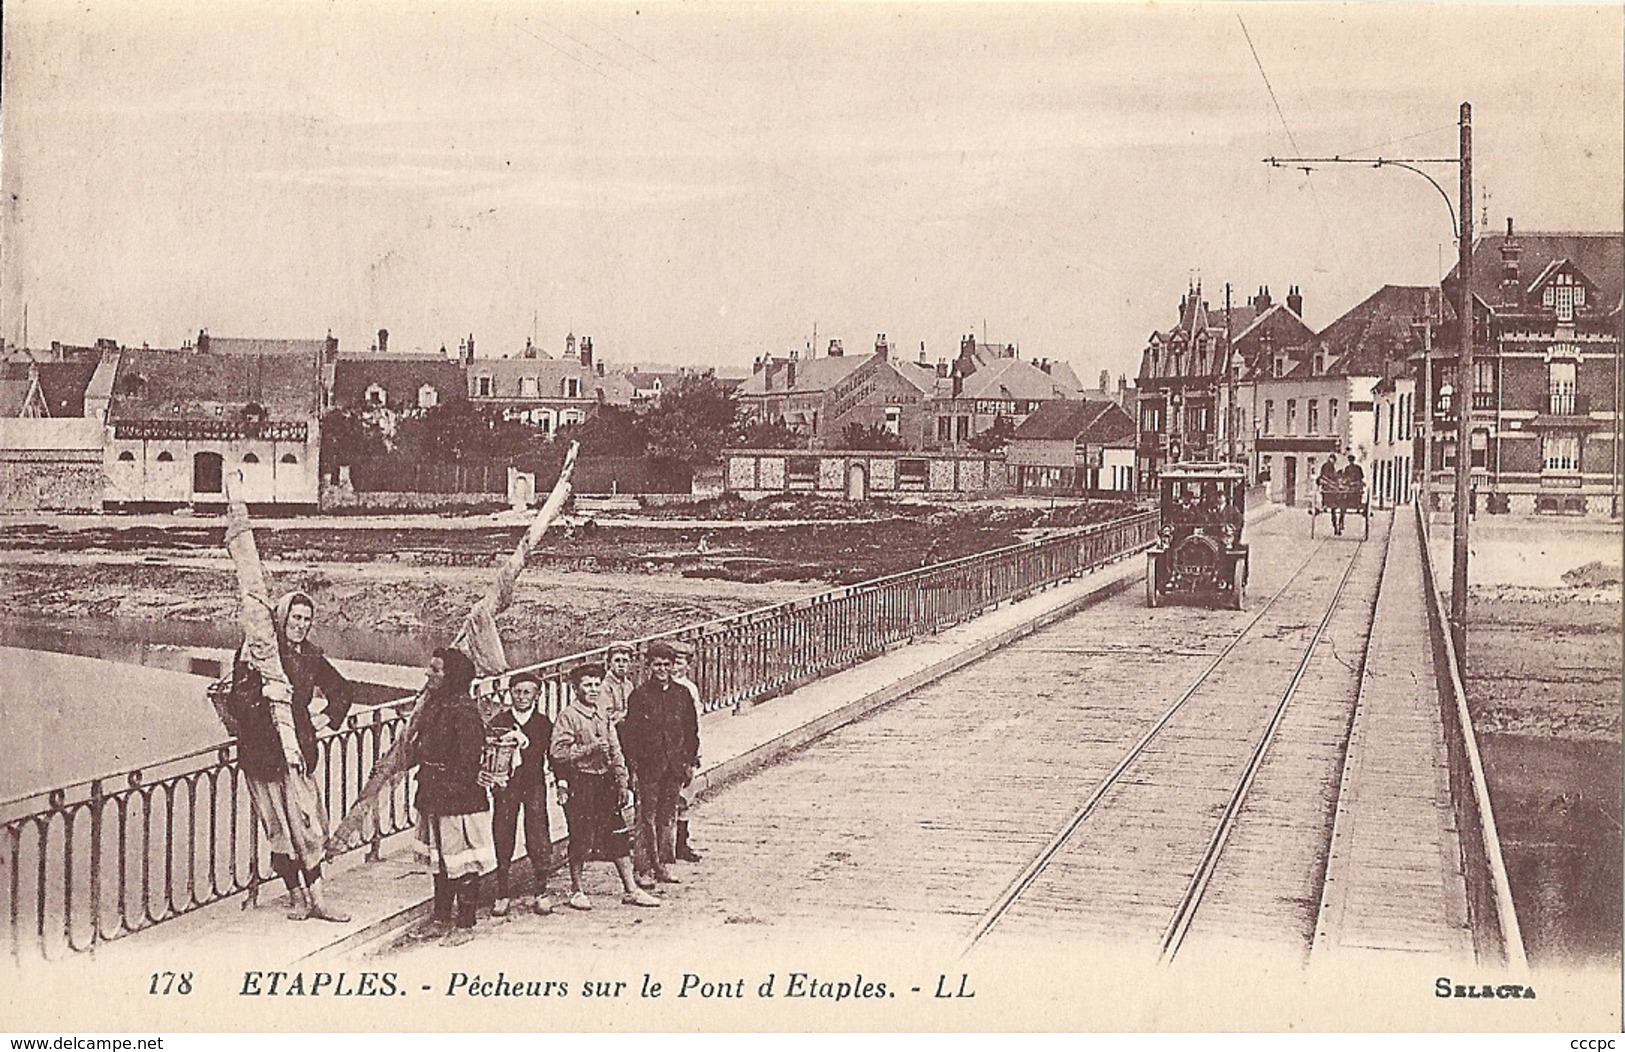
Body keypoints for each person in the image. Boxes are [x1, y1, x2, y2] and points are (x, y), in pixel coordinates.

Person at [234, 591, 354, 923]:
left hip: (296, 754)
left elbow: (342, 690)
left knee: (309, 827)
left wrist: (325, 719)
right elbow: (237, 702)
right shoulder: (258, 651)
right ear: (282, 617)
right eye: (295, 618)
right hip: (263, 754)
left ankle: (319, 899)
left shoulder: (311, 656)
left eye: (306, 619)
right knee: (280, 829)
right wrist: (263, 693)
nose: (300, 625)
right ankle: (297, 896)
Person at [549, 663, 661, 910]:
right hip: (581, 781)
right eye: (587, 685)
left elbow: (615, 748)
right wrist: (588, 749)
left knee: (618, 833)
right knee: (581, 835)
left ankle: (631, 889)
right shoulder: (568, 716)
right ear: (575, 688)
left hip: (605, 781)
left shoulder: (602, 713)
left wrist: (622, 781)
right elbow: (557, 753)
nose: (592, 689)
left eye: (596, 684)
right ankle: (577, 890)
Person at [410, 648, 496, 946]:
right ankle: (441, 917)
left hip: (459, 798)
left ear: (452, 677)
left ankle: (465, 924)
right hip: (434, 791)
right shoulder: (434, 703)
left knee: (462, 860)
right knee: (441, 860)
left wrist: (449, 787)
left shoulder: (464, 709)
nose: (428, 674)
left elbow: (469, 758)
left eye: (436, 670)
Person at [620, 641, 700, 890]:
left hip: (674, 767)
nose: (663, 669)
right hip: (648, 768)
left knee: (667, 818)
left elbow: (690, 731)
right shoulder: (640, 696)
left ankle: (662, 865)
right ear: (649, 666)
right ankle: (642, 869)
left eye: (667, 664)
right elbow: (630, 737)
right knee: (646, 819)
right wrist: (633, 769)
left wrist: (688, 762)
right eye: (658, 665)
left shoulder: (682, 694)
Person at [486, 671, 554, 918]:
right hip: (506, 787)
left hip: (534, 784)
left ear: (536, 695)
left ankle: (541, 891)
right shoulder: (499, 720)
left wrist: (562, 781)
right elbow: (488, 753)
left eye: (527, 692)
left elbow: (550, 754)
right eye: (517, 691)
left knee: (538, 834)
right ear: (509, 693)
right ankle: (502, 893)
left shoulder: (543, 722)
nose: (522, 696)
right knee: (503, 834)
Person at [669, 642, 705, 864]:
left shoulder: (689, 689)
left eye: (680, 662)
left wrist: (695, 753)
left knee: (685, 798)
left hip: (687, 749)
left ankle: (681, 843)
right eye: (672, 662)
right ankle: (669, 844)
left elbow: (695, 724)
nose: (674, 667)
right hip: (671, 751)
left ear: (688, 666)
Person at [599, 641, 636, 726]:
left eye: (625, 661)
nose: (621, 665)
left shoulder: (628, 684)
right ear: (609, 663)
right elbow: (606, 716)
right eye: (617, 661)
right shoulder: (605, 685)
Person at [1336, 454, 1366, 536]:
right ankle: (1341, 522)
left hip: (1354, 486)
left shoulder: (1353, 468)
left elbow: (1360, 478)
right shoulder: (1352, 468)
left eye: (1351, 460)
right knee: (1348, 493)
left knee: (1355, 492)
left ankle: (1357, 504)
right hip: (1351, 487)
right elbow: (1346, 478)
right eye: (1350, 461)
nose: (1351, 462)